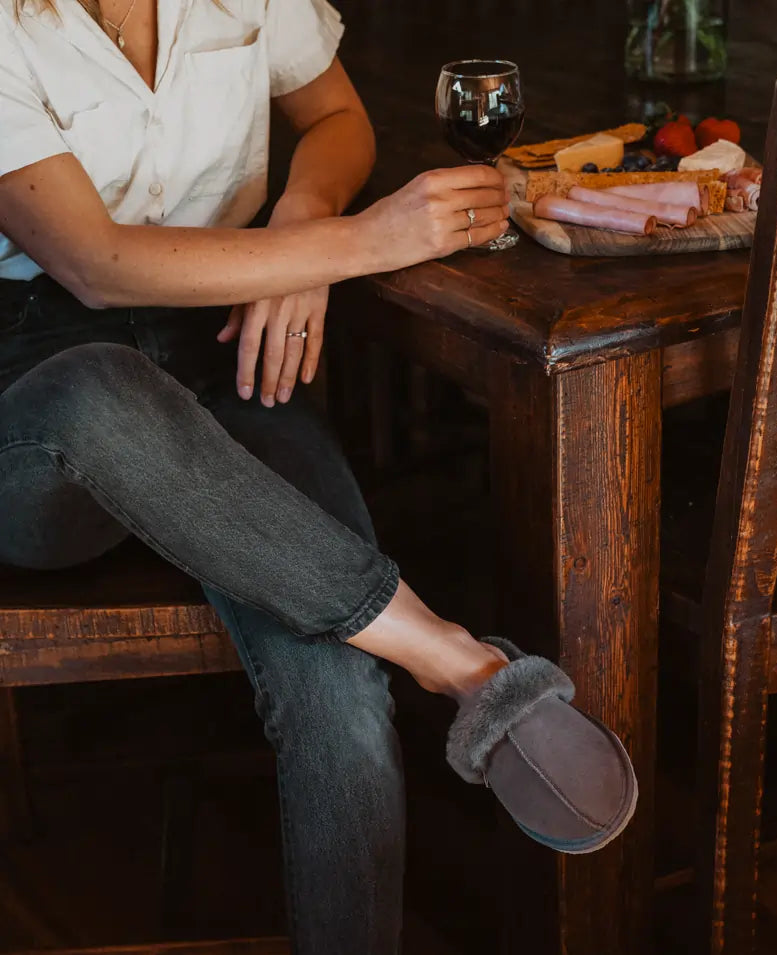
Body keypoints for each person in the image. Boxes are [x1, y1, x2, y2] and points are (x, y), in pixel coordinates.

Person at [0, 2, 638, 953]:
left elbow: (337, 119)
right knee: (98, 390)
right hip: (42, 401)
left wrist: (303, 221)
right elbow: (96, 264)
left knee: (336, 669)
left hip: (228, 351)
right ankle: (459, 660)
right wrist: (361, 244)